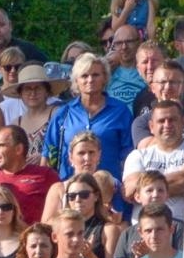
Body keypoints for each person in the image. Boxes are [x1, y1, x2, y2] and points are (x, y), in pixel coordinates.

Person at [43, 53, 134, 182]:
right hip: (71, 188)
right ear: (76, 80)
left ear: (105, 78)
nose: (90, 80)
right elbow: (48, 156)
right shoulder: (63, 113)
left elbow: (129, 155)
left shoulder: (120, 111)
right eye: (84, 76)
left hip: (109, 187)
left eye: (95, 75)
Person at [122, 100, 184, 221]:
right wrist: (180, 186)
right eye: (161, 121)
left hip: (183, 227)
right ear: (151, 127)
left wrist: (145, 188)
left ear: (183, 122)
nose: (167, 125)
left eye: (172, 120)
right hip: (143, 228)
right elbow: (130, 191)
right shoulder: (137, 155)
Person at [0, 124, 59, 225]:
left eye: (0, 146)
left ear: (18, 149)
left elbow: (59, 215)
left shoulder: (46, 175)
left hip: (34, 234)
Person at [4, 64, 66, 165]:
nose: (33, 93)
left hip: (53, 173)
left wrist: (45, 157)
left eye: (38, 88)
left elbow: (68, 146)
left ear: (47, 92)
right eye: (27, 89)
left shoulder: (58, 115)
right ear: (20, 94)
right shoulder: (16, 124)